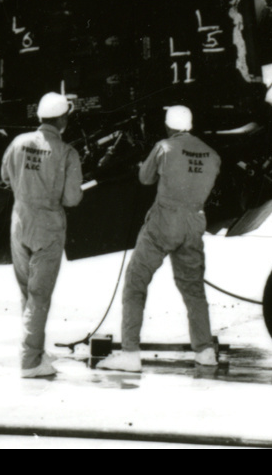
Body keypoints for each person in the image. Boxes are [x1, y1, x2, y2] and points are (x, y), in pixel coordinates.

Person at [97, 105, 222, 373]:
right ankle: (205, 351)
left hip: (164, 223)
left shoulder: (164, 147)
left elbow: (145, 178)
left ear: (168, 126)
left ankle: (130, 353)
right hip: (194, 223)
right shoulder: (212, 155)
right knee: (193, 290)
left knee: (135, 283)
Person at [1, 91, 84, 378]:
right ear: (63, 119)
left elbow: (4, 177)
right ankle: (30, 362)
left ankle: (35, 351)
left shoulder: (18, 143)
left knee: (27, 292)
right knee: (39, 296)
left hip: (19, 223)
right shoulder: (67, 152)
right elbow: (72, 199)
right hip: (47, 227)